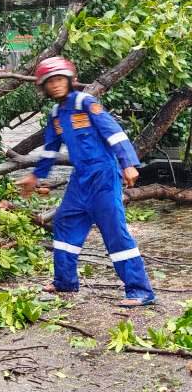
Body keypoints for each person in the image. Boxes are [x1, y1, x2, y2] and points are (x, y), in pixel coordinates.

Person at [17, 57, 155, 307]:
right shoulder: (56, 114)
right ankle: (65, 281)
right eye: (51, 82)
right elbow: (50, 149)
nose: (56, 85)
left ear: (70, 80)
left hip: (103, 176)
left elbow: (113, 132)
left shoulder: (86, 103)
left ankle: (140, 290)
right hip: (80, 179)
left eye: (60, 79)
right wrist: (36, 175)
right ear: (44, 87)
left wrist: (128, 164)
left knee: (114, 231)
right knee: (65, 221)